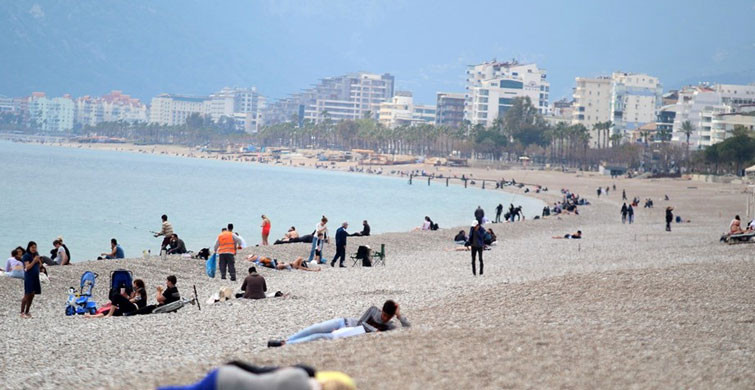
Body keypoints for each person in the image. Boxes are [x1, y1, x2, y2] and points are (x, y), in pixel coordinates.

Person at [267, 300, 410, 347]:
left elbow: (408, 330)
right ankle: (286, 339)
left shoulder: (390, 326)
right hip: (345, 322)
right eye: (384, 315)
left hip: (349, 333)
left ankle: (285, 345)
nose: (384, 318)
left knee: (320, 336)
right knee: (315, 328)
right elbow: (361, 322)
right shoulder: (373, 310)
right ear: (382, 310)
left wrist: (399, 315)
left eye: (387, 316)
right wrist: (375, 330)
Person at [20, 241, 43, 318]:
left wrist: (38, 260)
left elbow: (40, 265)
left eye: (35, 247)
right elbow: (27, 267)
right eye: (32, 247)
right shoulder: (26, 256)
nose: (34, 249)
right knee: (27, 294)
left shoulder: (36, 255)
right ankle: (22, 312)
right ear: (29, 247)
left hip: (35, 277)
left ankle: (27, 311)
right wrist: (34, 261)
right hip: (29, 277)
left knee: (32, 295)